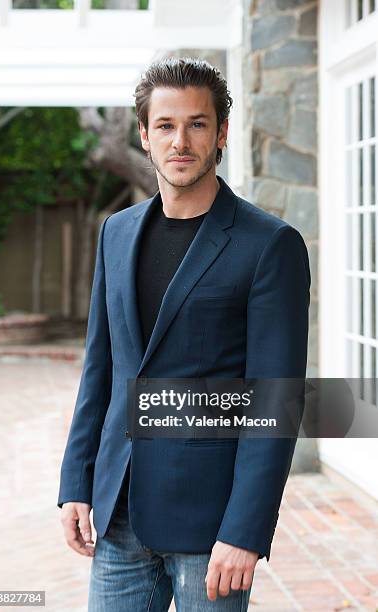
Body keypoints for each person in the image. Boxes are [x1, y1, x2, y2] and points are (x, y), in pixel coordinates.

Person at [58, 57, 310, 611]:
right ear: (145, 136)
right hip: (118, 514)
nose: (180, 141)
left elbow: (276, 398)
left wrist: (245, 530)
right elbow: (100, 369)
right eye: (166, 126)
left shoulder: (270, 245)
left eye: (197, 124)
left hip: (210, 526)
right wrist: (76, 481)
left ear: (221, 133)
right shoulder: (117, 233)